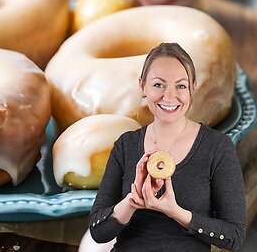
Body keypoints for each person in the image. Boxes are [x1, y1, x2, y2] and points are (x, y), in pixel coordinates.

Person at [87, 42, 246, 251]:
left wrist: (176, 212)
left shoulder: (217, 147)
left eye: (180, 86)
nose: (169, 97)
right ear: (142, 86)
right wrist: (132, 201)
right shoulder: (126, 145)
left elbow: (234, 236)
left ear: (192, 89)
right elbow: (98, 232)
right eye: (158, 85)